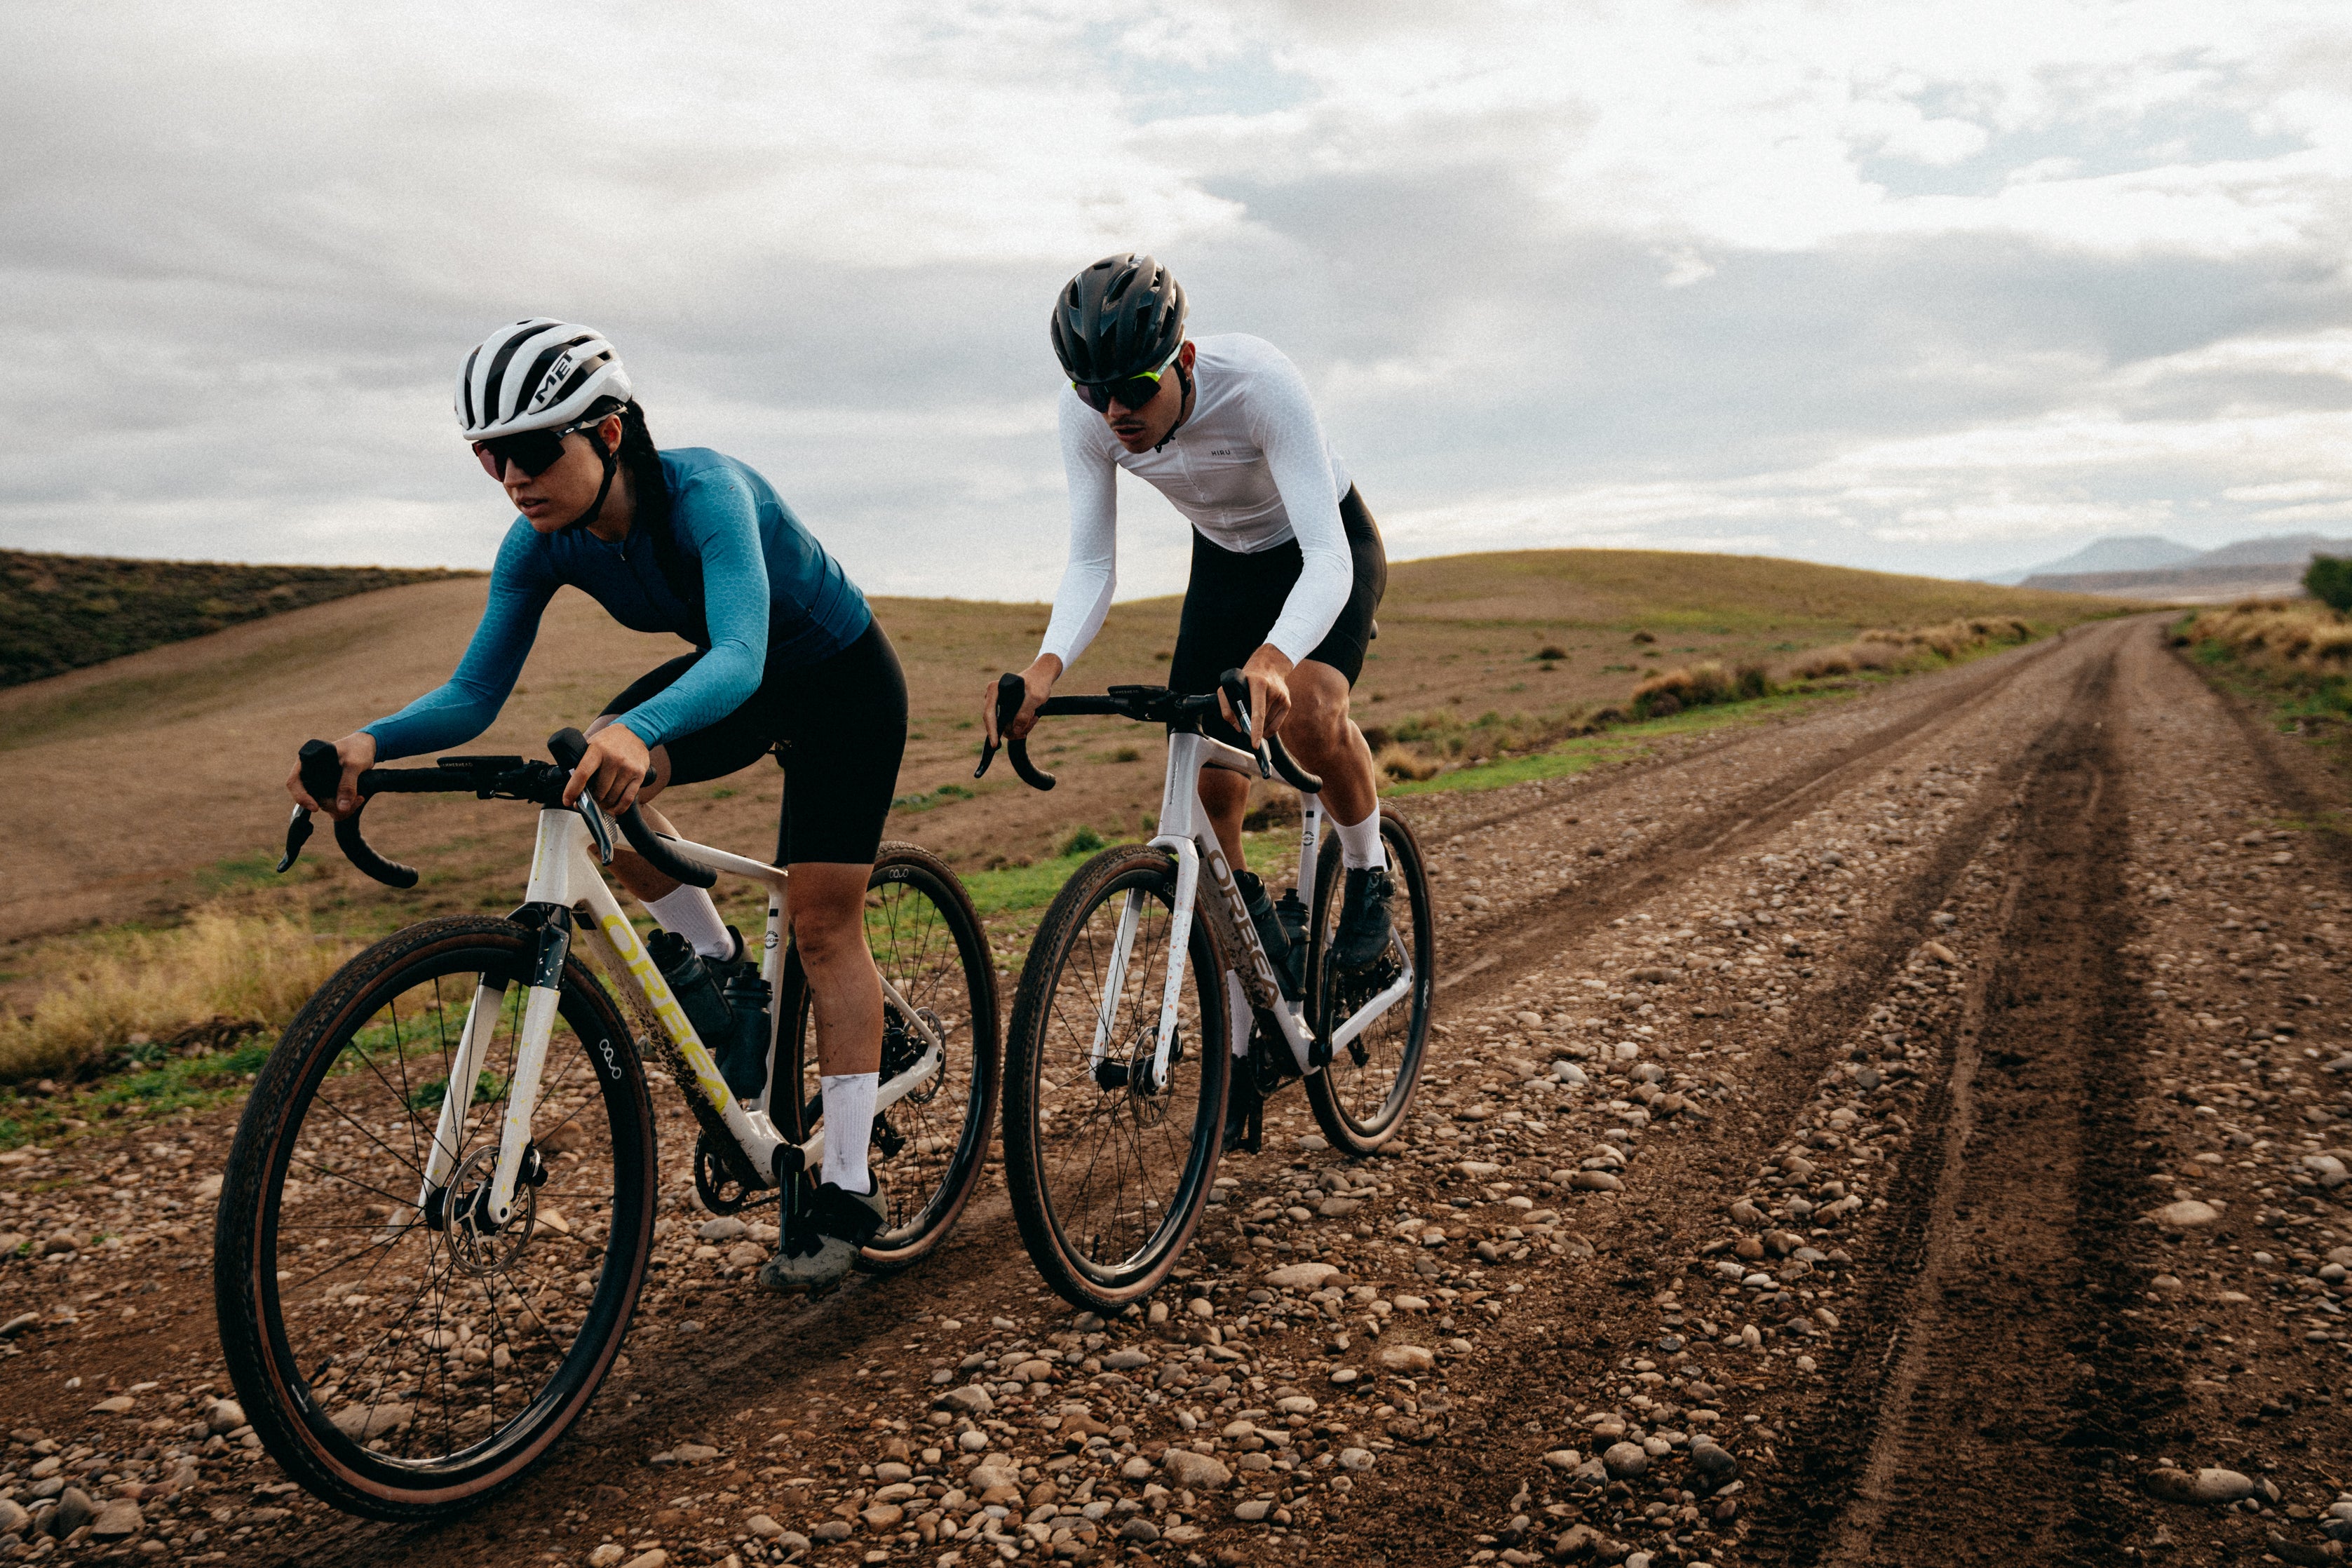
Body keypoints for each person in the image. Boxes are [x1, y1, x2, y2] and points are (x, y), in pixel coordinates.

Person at [285, 318, 898, 1290]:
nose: (510, 476)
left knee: (824, 928)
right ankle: (726, 972)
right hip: (736, 680)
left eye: (530, 450)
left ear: (607, 432)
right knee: (591, 789)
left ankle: (849, 1186)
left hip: (836, 682)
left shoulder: (707, 494)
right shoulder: (540, 544)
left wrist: (640, 729)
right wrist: (369, 742)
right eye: (489, 457)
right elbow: (472, 694)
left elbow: (741, 654)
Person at [982, 255, 1393, 1147]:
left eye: (1134, 387)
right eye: (1096, 395)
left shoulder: (1259, 385)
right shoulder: (1090, 414)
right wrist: (1044, 671)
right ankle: (1259, 962)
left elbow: (1327, 556)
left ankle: (1369, 878)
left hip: (1319, 546)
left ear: (1186, 359)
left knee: (1316, 713)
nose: (1116, 412)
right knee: (1210, 773)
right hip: (1227, 565)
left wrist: (1278, 659)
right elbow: (1092, 562)